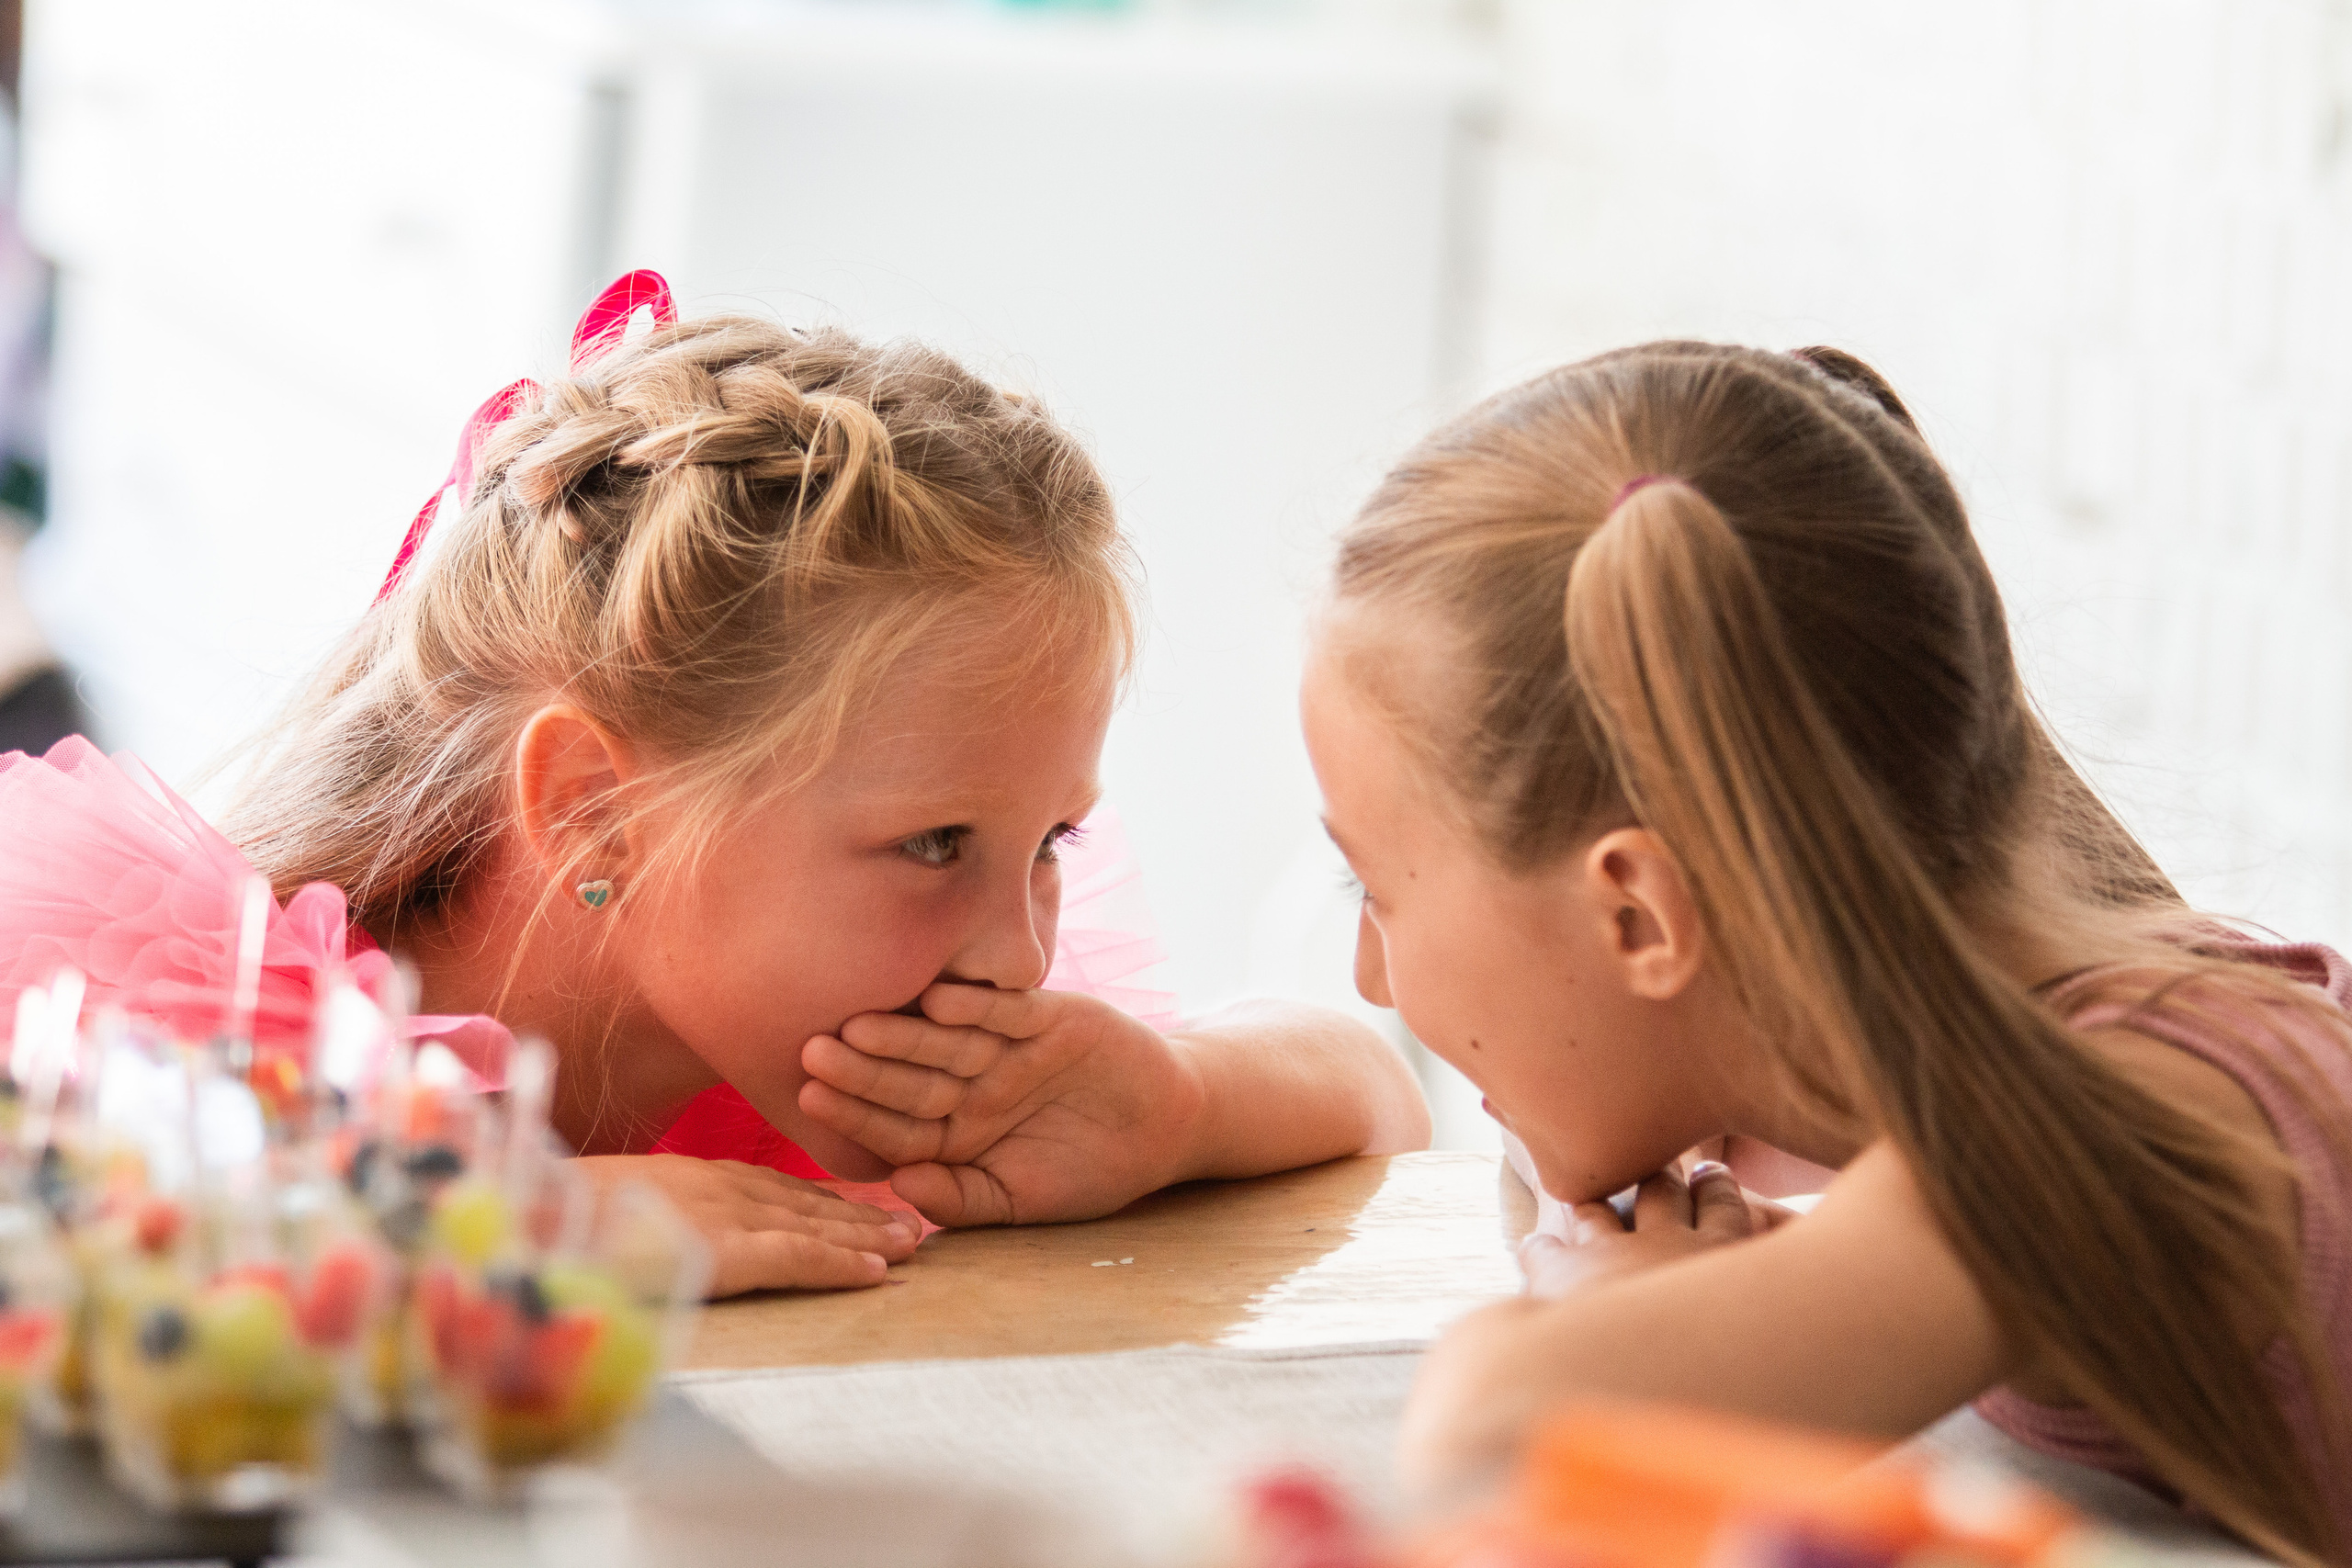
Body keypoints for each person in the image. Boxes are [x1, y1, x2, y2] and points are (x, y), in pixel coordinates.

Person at [0, 273, 1430, 1300]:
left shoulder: (865, 1027)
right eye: (937, 844)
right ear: (593, 812)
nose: (1022, 956)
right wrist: (498, 1227)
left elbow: (1376, 1088)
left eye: (1050, 840)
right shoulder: (189, 1041)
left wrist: (1179, 1107)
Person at [1302, 342, 2352, 1562]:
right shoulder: (2000, 1054)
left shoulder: (2104, 1136)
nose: (1369, 978)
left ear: (1639, 917)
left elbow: (1485, 1439)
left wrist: (1598, 1312)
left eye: (1373, 890)